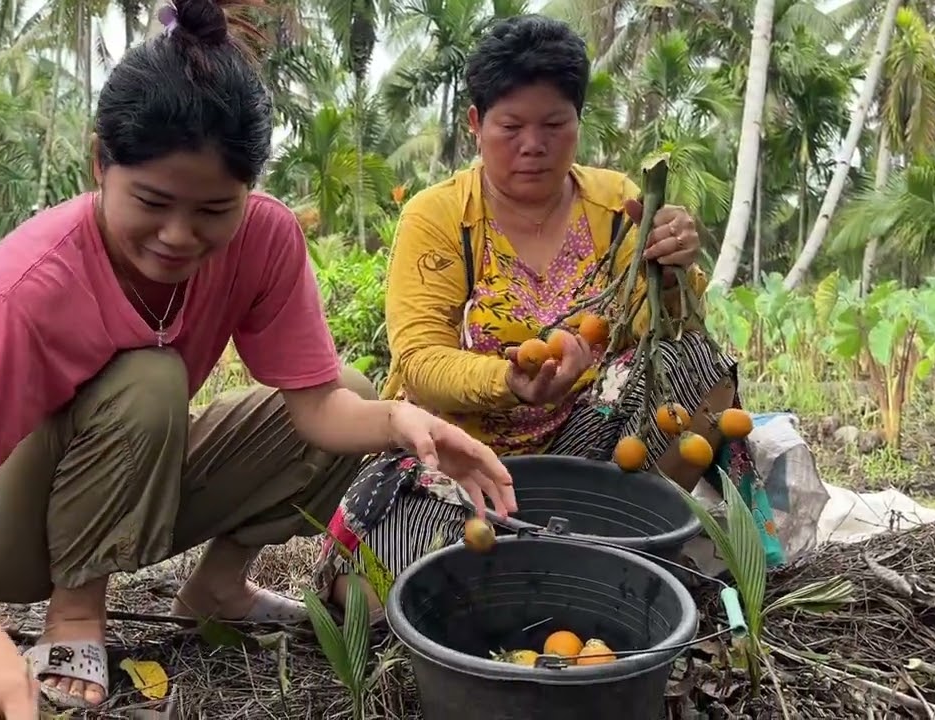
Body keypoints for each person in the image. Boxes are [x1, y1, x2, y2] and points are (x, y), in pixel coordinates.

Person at [0, 0, 516, 716]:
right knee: (149, 374)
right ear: (101, 160)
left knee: (348, 387)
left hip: (121, 484)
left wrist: (405, 422)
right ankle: (75, 617)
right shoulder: (33, 280)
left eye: (213, 211)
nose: (178, 236)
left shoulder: (265, 239)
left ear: (248, 190)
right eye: (153, 201)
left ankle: (218, 590)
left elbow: (319, 411)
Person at [314, 13, 777, 613]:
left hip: (588, 442)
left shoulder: (618, 208)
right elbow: (420, 361)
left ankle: (622, 538)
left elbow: (662, 331)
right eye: (511, 127)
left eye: (555, 125)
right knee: (371, 590)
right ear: (476, 124)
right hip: (463, 458)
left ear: (579, 123)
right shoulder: (439, 218)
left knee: (693, 361)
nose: (533, 145)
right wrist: (508, 382)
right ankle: (572, 564)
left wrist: (673, 268)